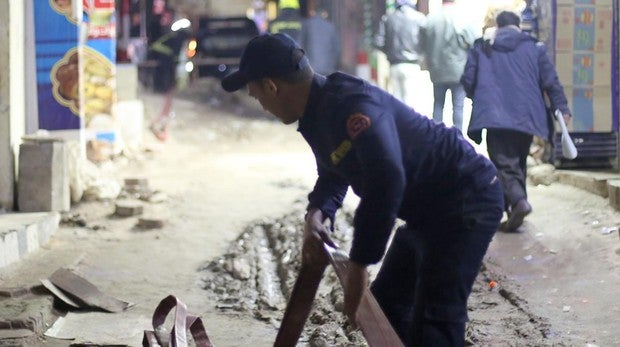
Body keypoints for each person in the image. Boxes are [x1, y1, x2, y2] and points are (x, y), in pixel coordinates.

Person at [221, 33, 504, 346]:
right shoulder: (316, 114)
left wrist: (359, 264)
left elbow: (387, 178)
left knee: (436, 318)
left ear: (272, 87)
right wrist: (318, 213)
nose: (261, 105)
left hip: (466, 198)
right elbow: (333, 172)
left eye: (256, 95)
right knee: (386, 307)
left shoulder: (351, 105)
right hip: (428, 210)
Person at [460, 11, 571, 232]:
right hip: (527, 115)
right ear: (518, 26)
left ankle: (519, 202)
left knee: (504, 164)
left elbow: (467, 79)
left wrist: (481, 97)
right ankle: (512, 211)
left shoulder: (482, 47)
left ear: (498, 26)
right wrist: (562, 108)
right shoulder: (534, 47)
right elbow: (551, 81)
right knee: (517, 161)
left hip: (495, 116)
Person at [419, 0, 478, 131]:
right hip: (458, 70)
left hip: (436, 69)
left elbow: (422, 44)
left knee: (438, 105)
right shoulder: (462, 18)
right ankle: (457, 138)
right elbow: (473, 42)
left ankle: (436, 137)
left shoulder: (430, 19)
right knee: (458, 106)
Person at [373, 0, 427, 111]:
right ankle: (410, 127)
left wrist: (389, 52)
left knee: (397, 102)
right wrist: (420, 54)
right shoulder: (419, 18)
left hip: (394, 65)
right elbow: (426, 40)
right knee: (412, 102)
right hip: (413, 65)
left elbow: (378, 42)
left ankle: (399, 127)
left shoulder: (388, 18)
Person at [147, 9, 191, 141]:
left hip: (170, 69)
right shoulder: (160, 32)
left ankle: (163, 125)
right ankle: (160, 125)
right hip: (162, 70)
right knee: (165, 96)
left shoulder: (174, 34)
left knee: (168, 96)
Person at [300, 7, 341, 76]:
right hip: (328, 68)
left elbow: (301, 45)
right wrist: (333, 64)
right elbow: (337, 49)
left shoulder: (307, 25)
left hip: (311, 67)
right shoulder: (331, 26)